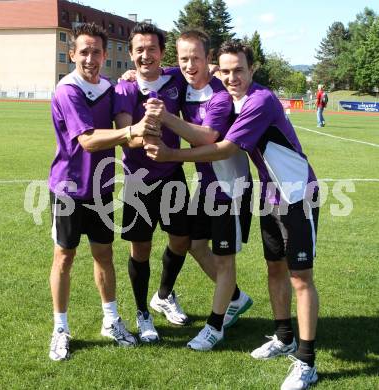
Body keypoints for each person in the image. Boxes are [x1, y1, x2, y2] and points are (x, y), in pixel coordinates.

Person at [145, 40, 320, 390]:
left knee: (300, 277)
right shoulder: (232, 96)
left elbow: (223, 147)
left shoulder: (260, 100)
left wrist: (169, 155)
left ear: (251, 70)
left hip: (298, 193)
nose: (231, 76)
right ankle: (284, 336)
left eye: (238, 69)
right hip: (271, 193)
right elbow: (186, 70)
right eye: (224, 71)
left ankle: (307, 360)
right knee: (275, 268)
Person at [48, 22, 160, 360]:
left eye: (97, 51)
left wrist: (152, 127)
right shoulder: (68, 90)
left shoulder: (110, 88)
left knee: (104, 256)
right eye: (84, 51)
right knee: (64, 257)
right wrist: (132, 130)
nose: (91, 58)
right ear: (72, 54)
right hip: (68, 188)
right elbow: (88, 139)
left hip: (100, 189)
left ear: (104, 54)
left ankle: (111, 321)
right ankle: (61, 328)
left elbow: (130, 126)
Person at [144, 29, 253, 351]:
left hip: (230, 188)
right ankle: (235, 298)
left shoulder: (220, 94)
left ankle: (215, 326)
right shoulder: (180, 81)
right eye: (183, 59)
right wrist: (136, 72)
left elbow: (207, 137)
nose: (190, 65)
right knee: (193, 243)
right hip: (207, 186)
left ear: (209, 61)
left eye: (196, 58)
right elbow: (161, 72)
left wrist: (165, 118)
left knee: (224, 260)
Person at [114, 22, 191, 343]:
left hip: (172, 172)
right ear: (131, 54)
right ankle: (143, 314)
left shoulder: (176, 80)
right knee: (141, 248)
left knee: (181, 240)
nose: (146, 55)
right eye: (139, 50)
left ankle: (163, 295)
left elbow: (197, 70)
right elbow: (124, 135)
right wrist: (144, 129)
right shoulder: (124, 88)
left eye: (152, 49)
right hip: (138, 181)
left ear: (162, 52)